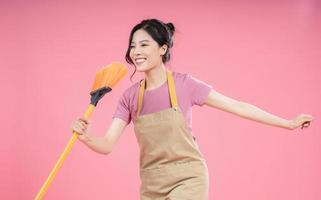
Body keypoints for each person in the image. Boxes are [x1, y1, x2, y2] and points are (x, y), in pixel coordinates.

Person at [70, 19, 314, 200]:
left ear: (162, 49)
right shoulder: (130, 97)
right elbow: (107, 145)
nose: (136, 52)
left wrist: (287, 122)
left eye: (144, 45)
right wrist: (85, 137)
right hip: (151, 184)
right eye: (133, 46)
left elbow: (238, 106)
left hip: (188, 178)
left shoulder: (185, 85)